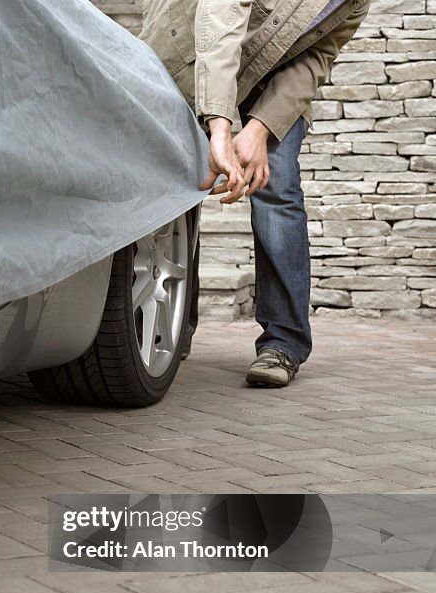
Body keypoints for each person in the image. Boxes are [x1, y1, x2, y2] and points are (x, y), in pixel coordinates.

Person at [140, 0, 371, 387]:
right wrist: (220, 125)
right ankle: (171, 326)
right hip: (194, 50)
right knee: (175, 178)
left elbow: (316, 56)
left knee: (277, 184)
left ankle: (283, 342)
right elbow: (221, 19)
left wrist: (261, 127)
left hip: (271, 78)